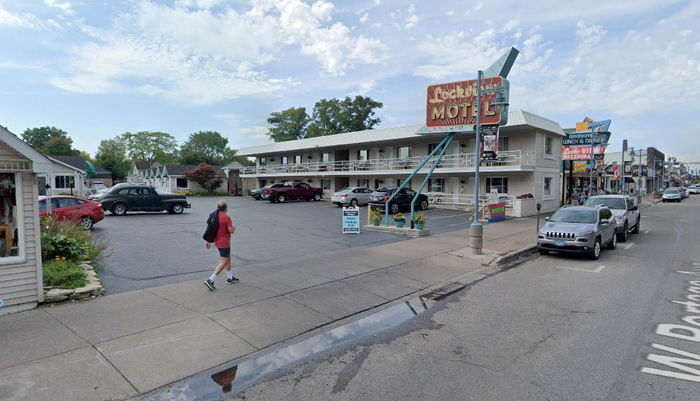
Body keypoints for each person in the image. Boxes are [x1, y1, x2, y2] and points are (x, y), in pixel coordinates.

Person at [204, 200, 237, 291]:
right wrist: (234, 228)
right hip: (224, 243)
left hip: (218, 242)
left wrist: (208, 241)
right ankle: (210, 280)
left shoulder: (214, 216)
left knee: (228, 259)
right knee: (224, 261)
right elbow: (231, 231)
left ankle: (230, 278)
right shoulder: (226, 218)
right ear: (226, 208)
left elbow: (209, 229)